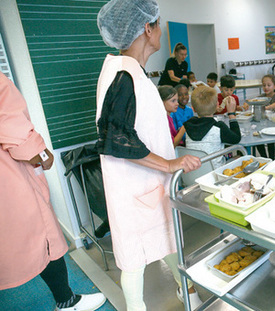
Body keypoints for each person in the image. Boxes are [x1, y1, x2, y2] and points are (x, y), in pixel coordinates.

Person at [96, 1, 202, 309]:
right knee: (135, 259)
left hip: (150, 185)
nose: (160, 31)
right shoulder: (124, 76)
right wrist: (170, 163)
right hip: (134, 189)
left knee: (167, 238)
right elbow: (116, 138)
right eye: (158, 24)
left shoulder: (132, 73)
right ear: (147, 28)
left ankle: (187, 291)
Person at [0, 72, 106, 311]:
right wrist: (44, 156)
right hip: (8, 181)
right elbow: (17, 137)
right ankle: (67, 301)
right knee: (45, 236)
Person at [184, 86, 241, 168]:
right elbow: (237, 139)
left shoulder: (188, 126)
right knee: (241, 156)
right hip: (215, 174)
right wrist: (231, 114)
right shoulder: (218, 127)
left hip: (193, 174)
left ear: (193, 108)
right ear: (217, 105)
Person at [256, 74, 275, 159]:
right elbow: (254, 101)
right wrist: (246, 104)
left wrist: (267, 107)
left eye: (268, 85)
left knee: (270, 141)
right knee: (258, 138)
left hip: (274, 122)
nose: (266, 87)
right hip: (263, 122)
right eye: (264, 85)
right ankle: (264, 157)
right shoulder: (262, 96)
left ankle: (271, 158)